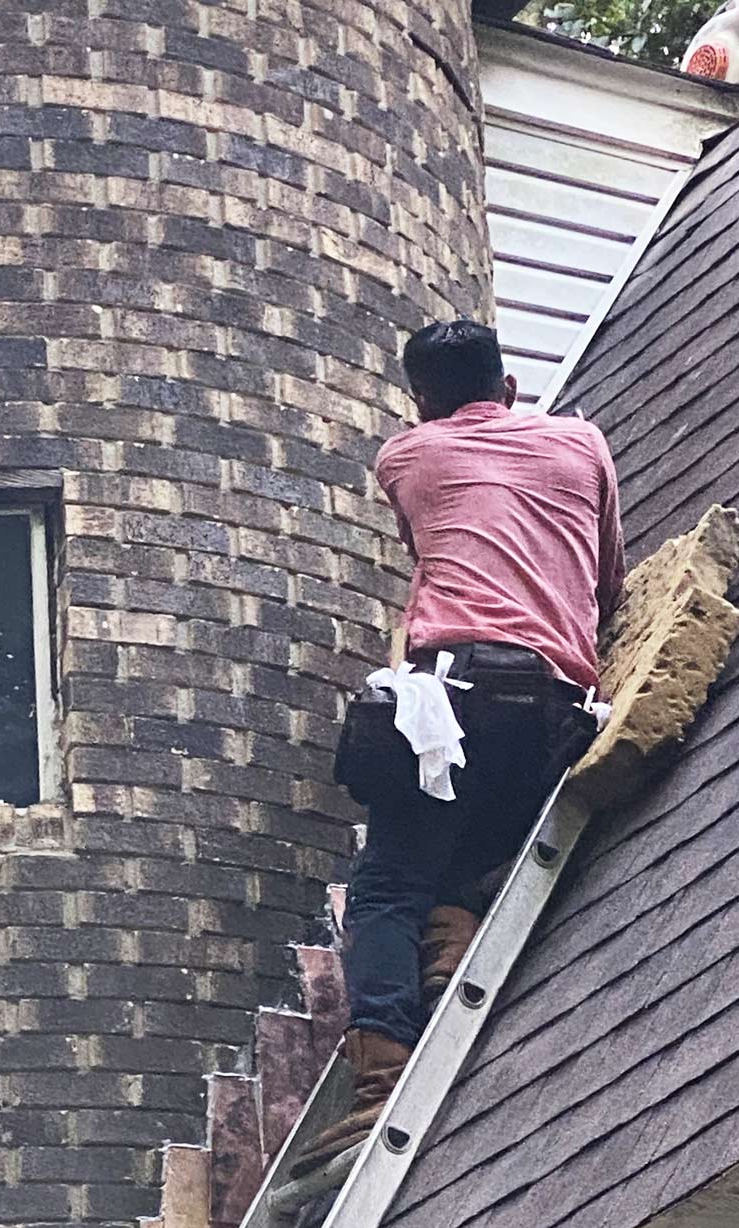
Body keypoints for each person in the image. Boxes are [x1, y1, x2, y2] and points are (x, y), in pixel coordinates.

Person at [292, 318, 626, 1177]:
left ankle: (381, 1085)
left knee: (386, 887)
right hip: (556, 708)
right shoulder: (582, 445)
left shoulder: (407, 458)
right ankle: (449, 963)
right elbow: (607, 578)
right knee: (474, 854)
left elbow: (437, 543)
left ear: (419, 404)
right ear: (509, 387)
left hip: (456, 694)